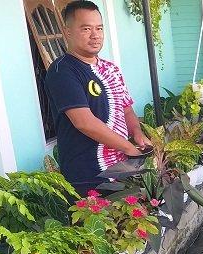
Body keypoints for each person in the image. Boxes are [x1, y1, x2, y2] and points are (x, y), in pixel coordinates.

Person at [45, 0, 151, 196]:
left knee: (131, 223)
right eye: (86, 29)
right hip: (89, 176)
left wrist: (137, 133)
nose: (95, 35)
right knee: (100, 226)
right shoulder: (63, 71)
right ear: (67, 32)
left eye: (99, 28)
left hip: (121, 169)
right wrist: (129, 147)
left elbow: (126, 108)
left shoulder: (111, 69)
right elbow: (84, 122)